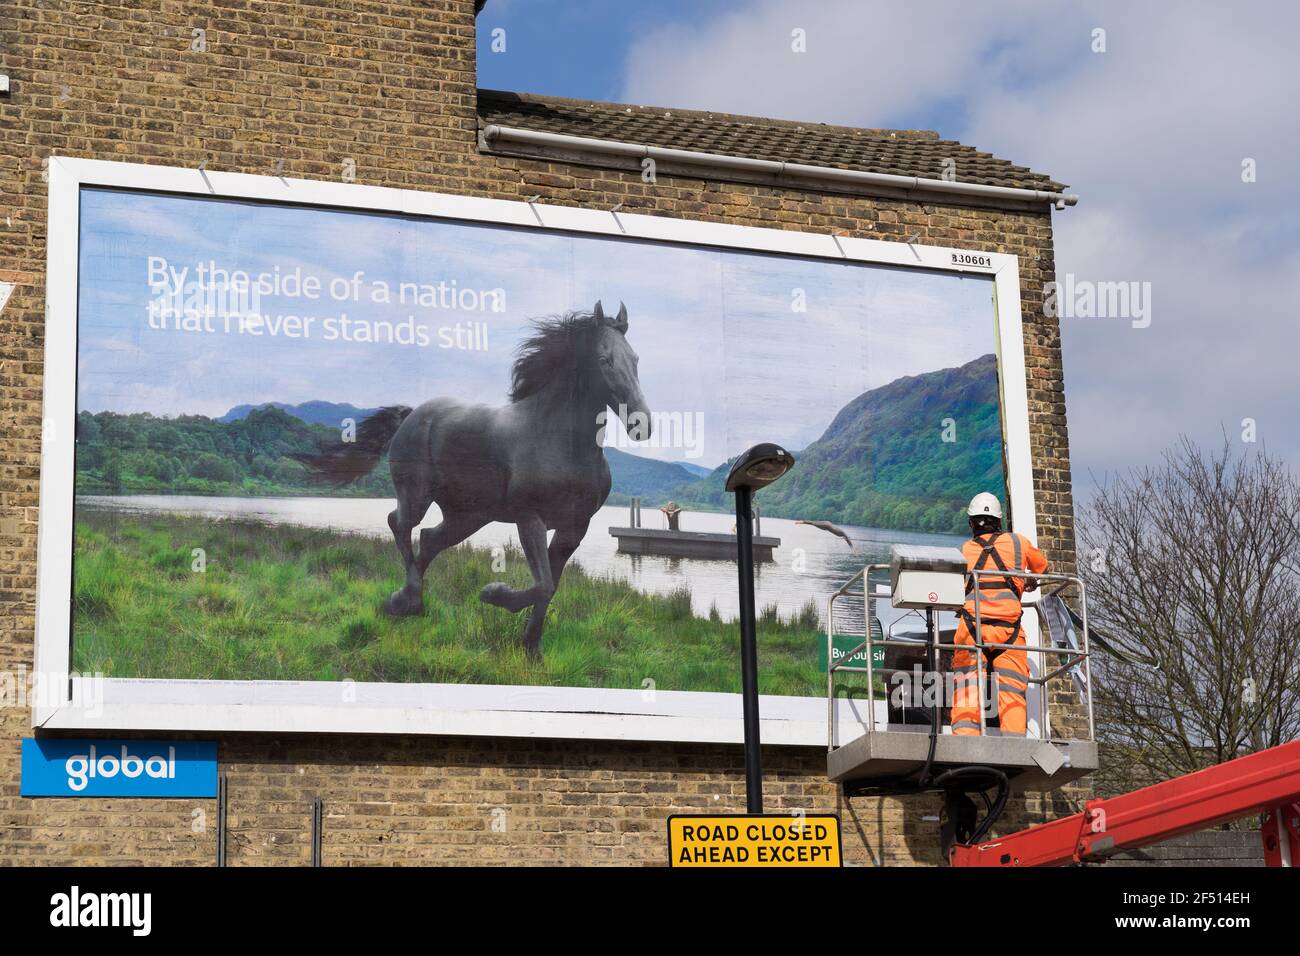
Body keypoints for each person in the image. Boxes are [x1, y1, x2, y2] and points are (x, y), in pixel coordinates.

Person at [950, 492, 1048, 737]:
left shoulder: (964, 550)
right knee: (1012, 692)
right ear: (998, 520)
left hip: (972, 629)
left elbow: (957, 589)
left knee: (967, 688)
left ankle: (964, 741)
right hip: (1010, 631)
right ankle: (1014, 745)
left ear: (972, 522)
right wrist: (1026, 582)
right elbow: (1042, 567)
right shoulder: (1019, 543)